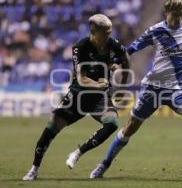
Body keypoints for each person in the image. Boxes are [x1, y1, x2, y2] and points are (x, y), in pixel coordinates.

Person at [88, 0, 182, 179]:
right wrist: (116, 61)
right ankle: (103, 165)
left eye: (180, 13)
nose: (178, 17)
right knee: (131, 128)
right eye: (174, 14)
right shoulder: (156, 31)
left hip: (177, 89)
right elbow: (133, 47)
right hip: (153, 88)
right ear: (166, 13)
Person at [22, 14, 130, 180]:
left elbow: (126, 59)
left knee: (112, 124)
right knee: (51, 129)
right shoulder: (81, 47)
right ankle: (34, 169)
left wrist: (122, 87)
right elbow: (81, 78)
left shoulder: (113, 44)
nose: (109, 36)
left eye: (110, 32)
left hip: (100, 98)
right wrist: (98, 84)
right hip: (78, 96)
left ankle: (78, 153)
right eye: (105, 33)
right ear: (94, 31)